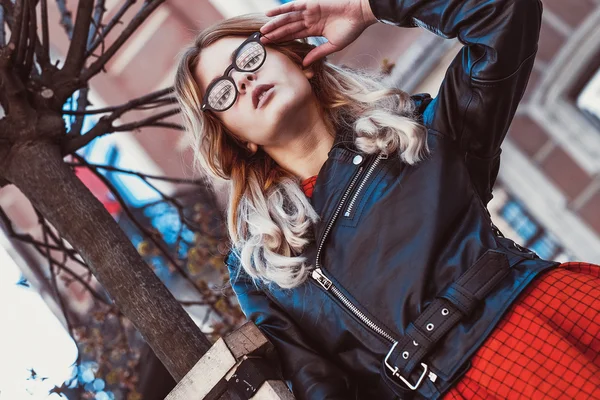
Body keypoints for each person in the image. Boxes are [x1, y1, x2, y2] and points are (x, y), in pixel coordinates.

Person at [173, 0, 600, 398]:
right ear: (235, 139)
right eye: (222, 93)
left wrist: (369, 7)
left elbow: (505, 12)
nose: (243, 79)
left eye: (249, 58)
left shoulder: (422, 133)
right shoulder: (261, 267)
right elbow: (321, 387)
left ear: (298, 62)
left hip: (544, 323)